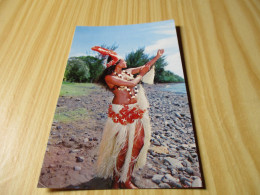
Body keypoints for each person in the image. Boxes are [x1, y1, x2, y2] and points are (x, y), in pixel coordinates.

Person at [92, 46, 164, 189]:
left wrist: (156, 57)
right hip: (121, 113)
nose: (125, 62)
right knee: (122, 148)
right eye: (122, 60)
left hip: (135, 110)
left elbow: (145, 67)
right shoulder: (110, 77)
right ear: (115, 64)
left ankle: (126, 179)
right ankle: (116, 182)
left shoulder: (128, 72)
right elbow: (132, 83)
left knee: (139, 144)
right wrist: (141, 75)